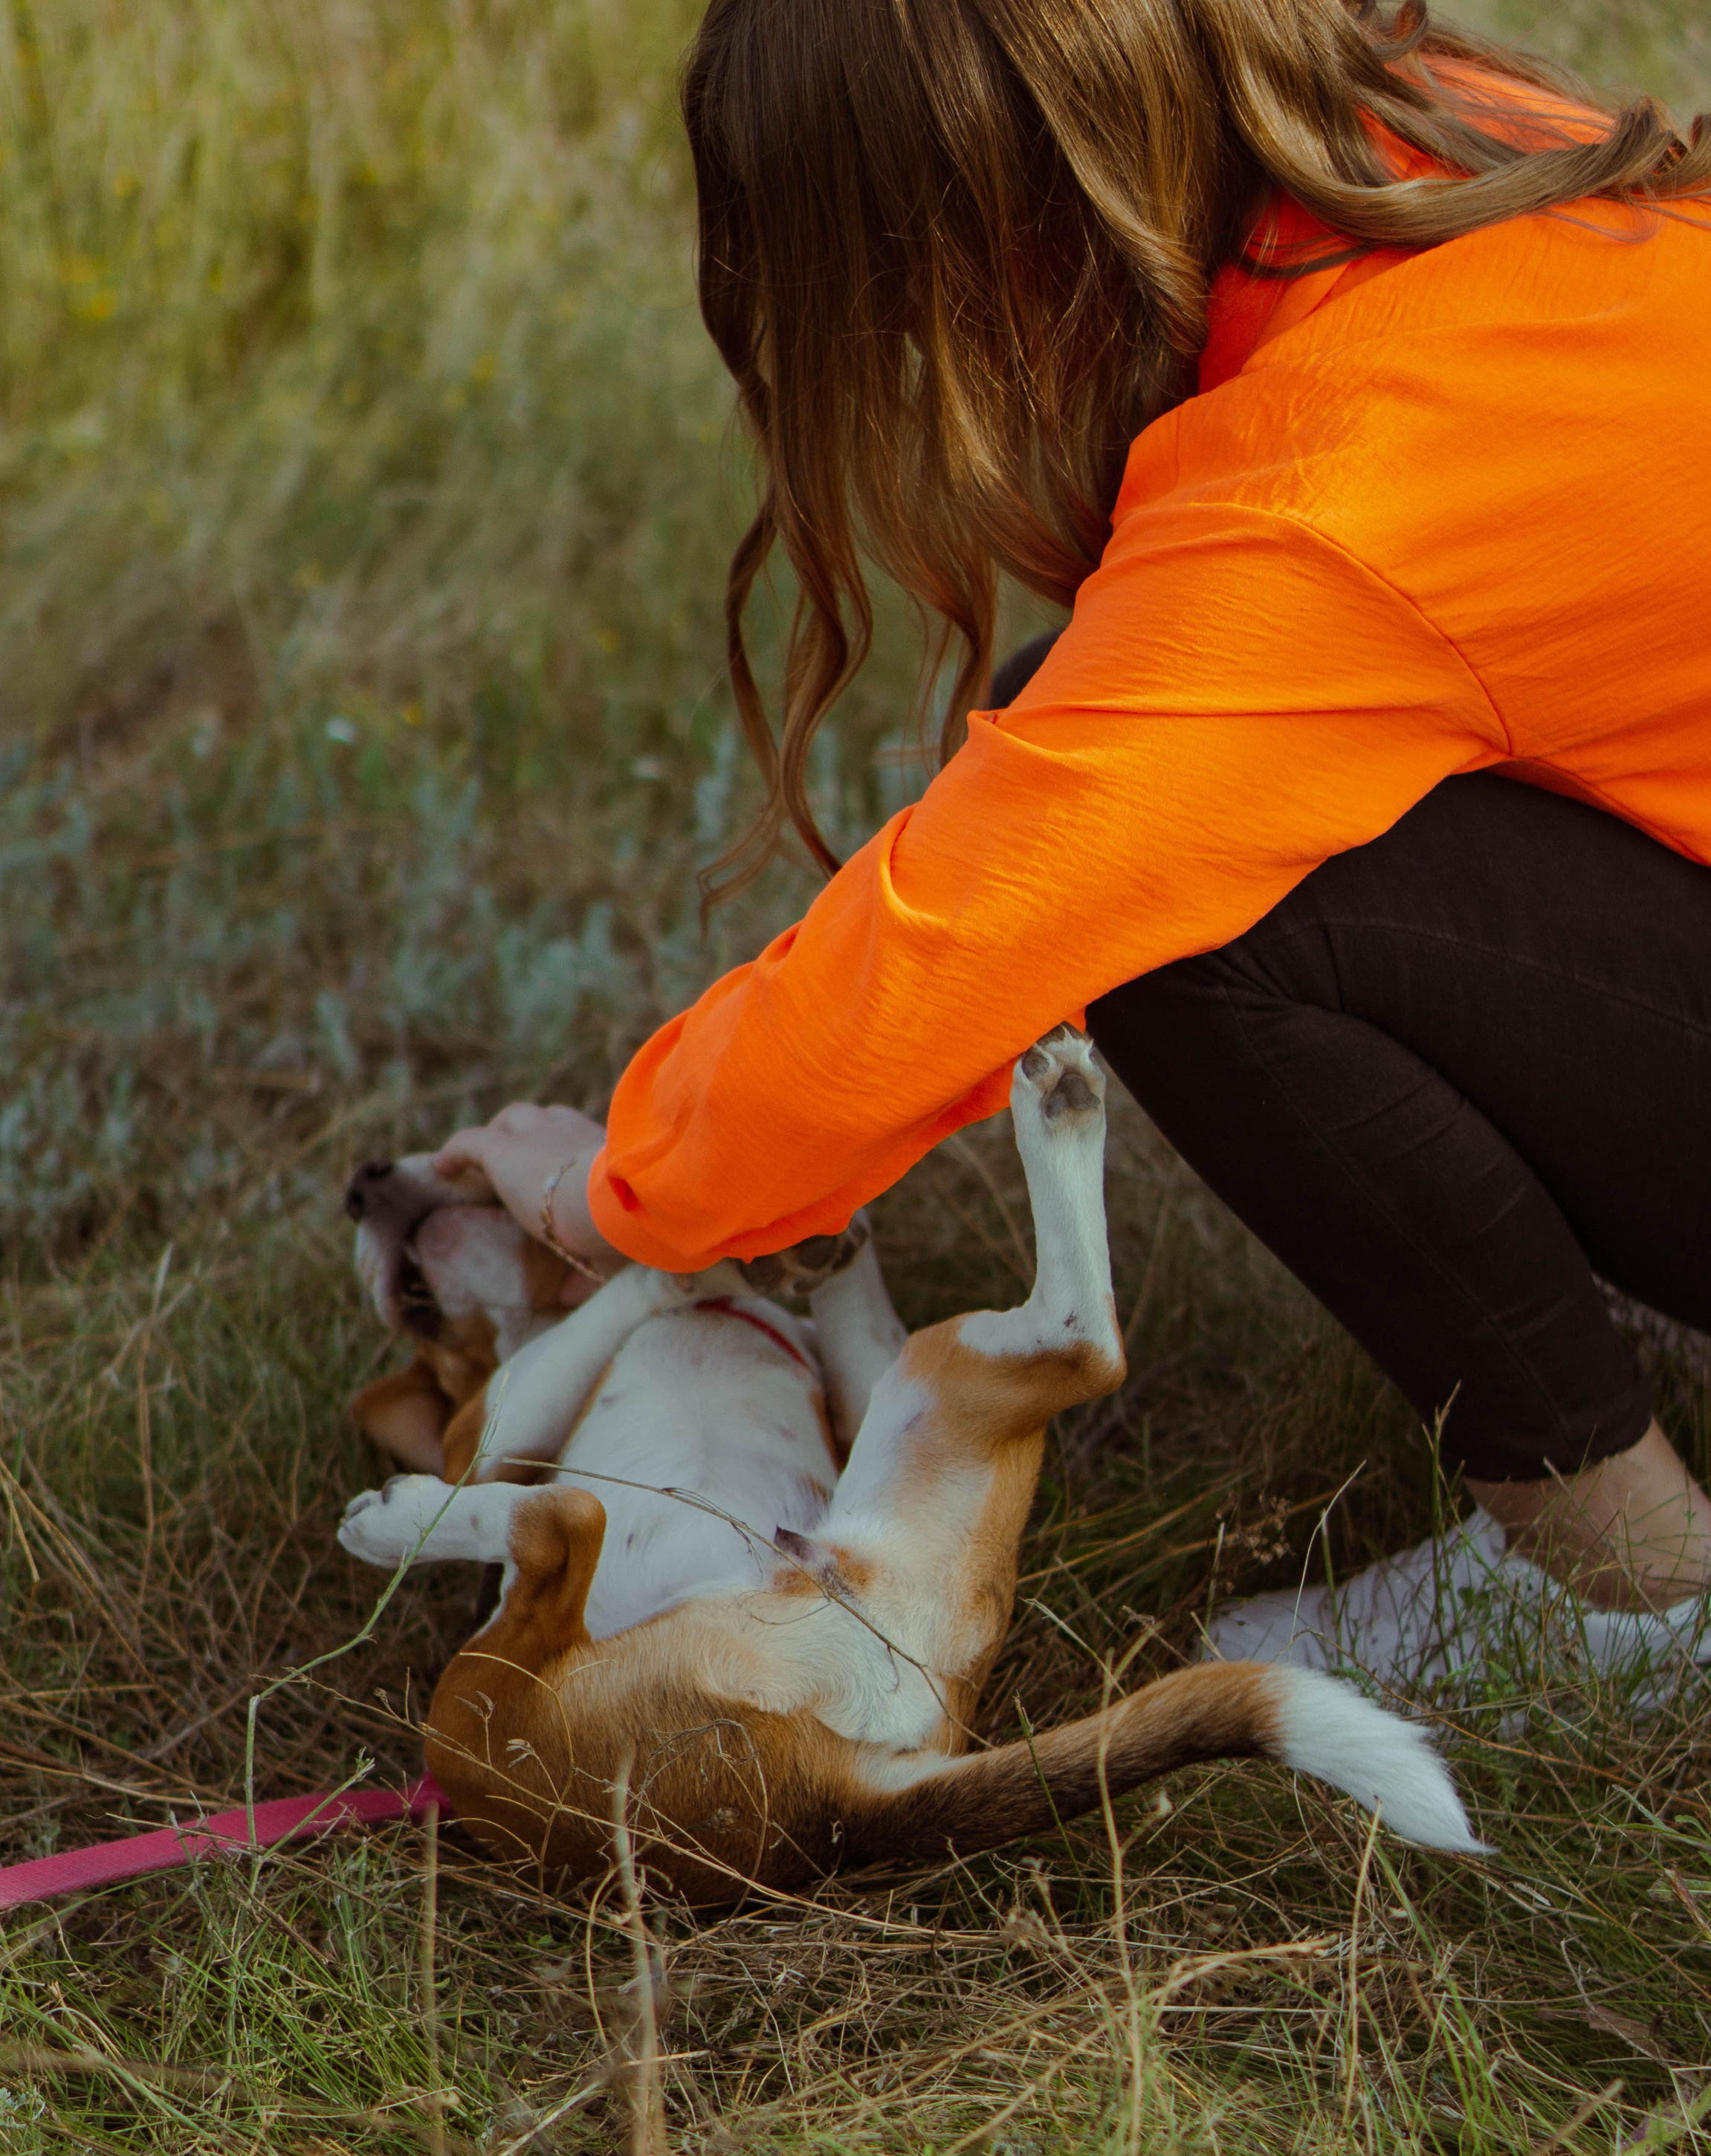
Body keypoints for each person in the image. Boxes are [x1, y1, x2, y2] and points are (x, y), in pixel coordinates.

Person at [436, 0, 1711, 1704]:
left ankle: (1631, 1604)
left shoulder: (1337, 479)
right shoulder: (1453, 152)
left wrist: (615, 1190)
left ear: (987, 234)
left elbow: (976, 926)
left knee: (1197, 911)